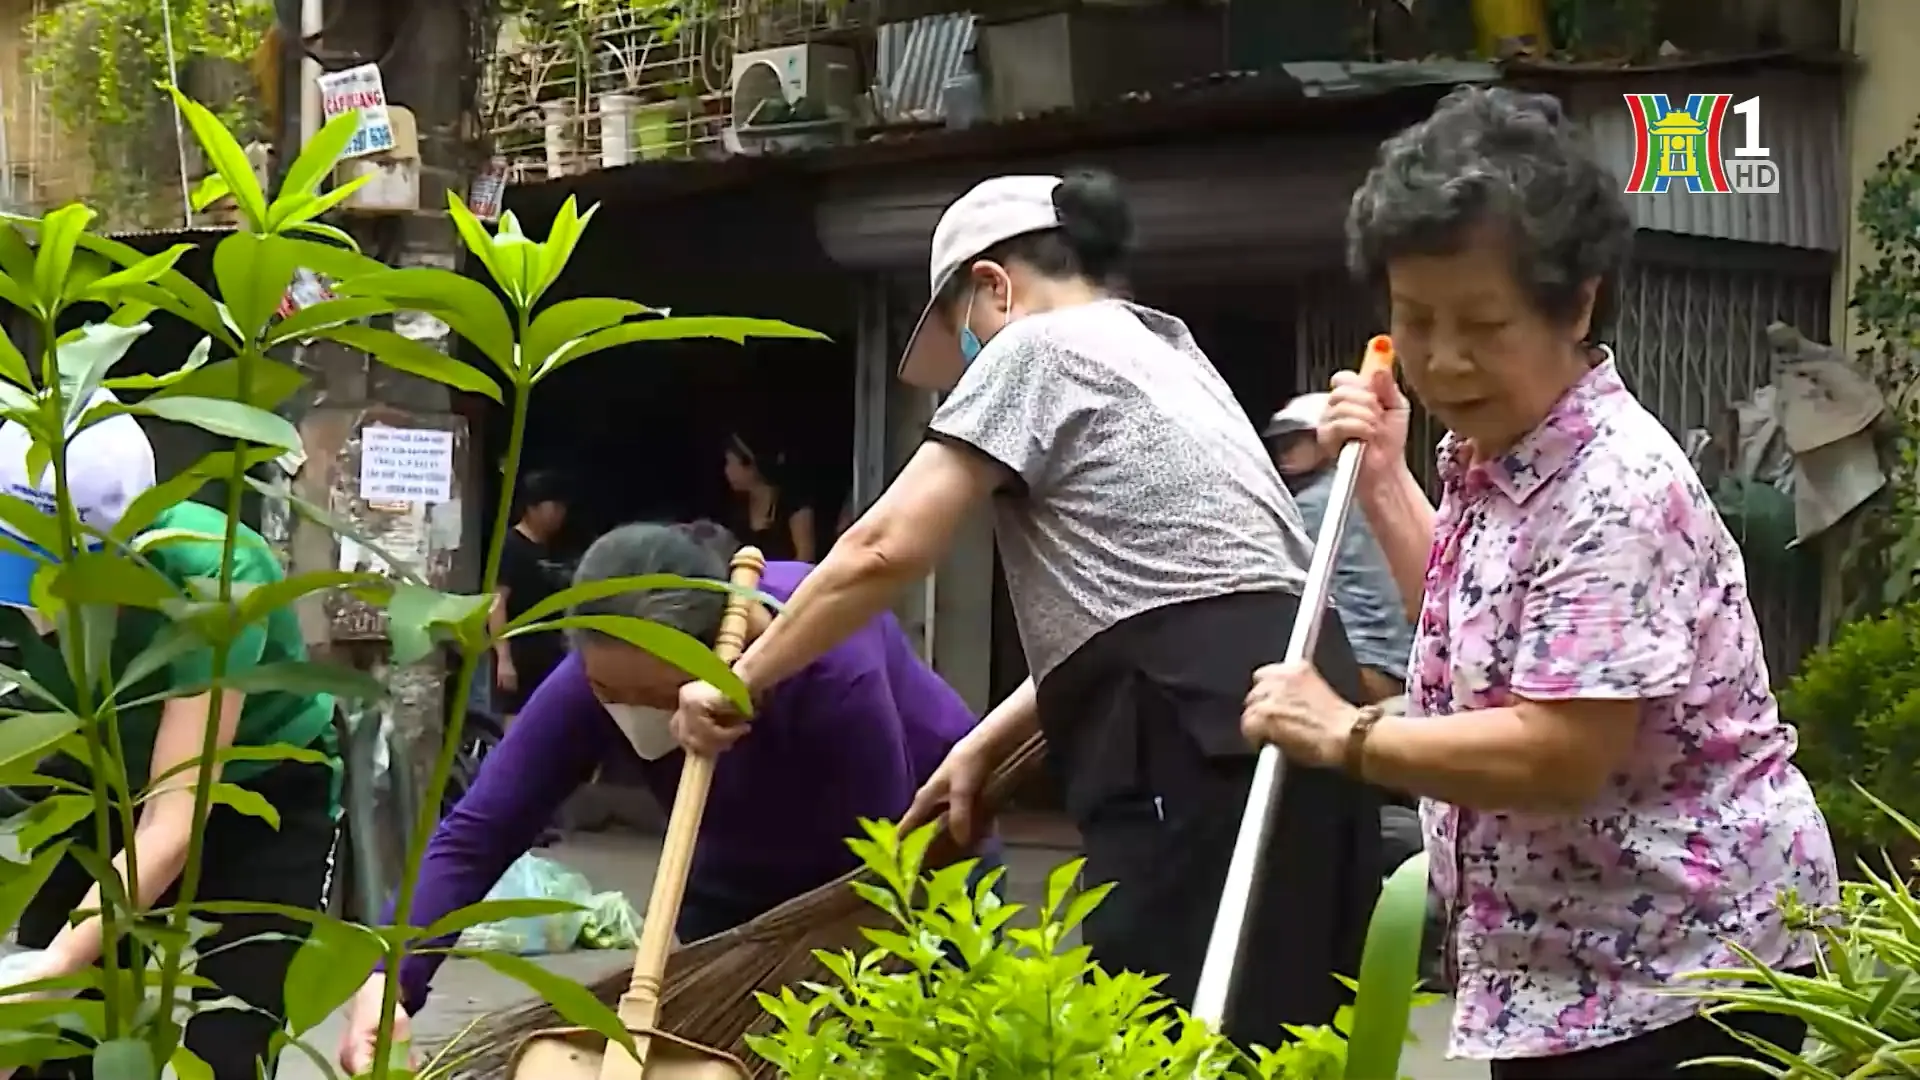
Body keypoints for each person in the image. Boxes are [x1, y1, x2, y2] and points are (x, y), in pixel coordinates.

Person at [671, 170, 1384, 1049]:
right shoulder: (1168, 352)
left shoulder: (1033, 346)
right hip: (1302, 700)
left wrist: (736, 682)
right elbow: (1148, 603)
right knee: (1281, 1033)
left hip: (1198, 728)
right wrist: (984, 746)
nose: (970, 356)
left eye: (964, 332)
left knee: (1161, 1032)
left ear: (994, 286)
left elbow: (881, 547)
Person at [1237, 87, 1838, 1079]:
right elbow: (1479, 627)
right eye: (1414, 319)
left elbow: (1562, 752)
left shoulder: (1615, 488)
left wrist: (1345, 733)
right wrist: (1386, 477)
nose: (1443, 359)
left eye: (1482, 322)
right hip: (1567, 971)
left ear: (1580, 301)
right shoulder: (1500, 454)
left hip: (1681, 979)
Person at [337, 521, 981, 1073]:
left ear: (723, 665)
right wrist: (390, 981)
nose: (630, 714)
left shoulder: (834, 668)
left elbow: (883, 882)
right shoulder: (603, 669)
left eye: (659, 698)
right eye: (609, 693)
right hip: (730, 875)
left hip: (917, 859)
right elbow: (479, 832)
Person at [0, 399, 339, 1080]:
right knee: (53, 1046)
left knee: (230, 1044)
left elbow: (173, 819)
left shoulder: (213, 579)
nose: (39, 599)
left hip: (260, 797)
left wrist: (60, 970)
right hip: (99, 783)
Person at [1263, 392, 1413, 705]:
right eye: (1280, 442)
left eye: (1297, 440)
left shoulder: (1317, 502)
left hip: (1367, 662)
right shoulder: (1364, 489)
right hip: (1401, 660)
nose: (1285, 451)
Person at [490, 469, 569, 718]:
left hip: (550, 653)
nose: (558, 513)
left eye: (561, 507)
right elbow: (496, 601)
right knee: (517, 723)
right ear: (531, 508)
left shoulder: (550, 548)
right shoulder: (510, 546)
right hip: (520, 654)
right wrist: (503, 657)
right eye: (552, 506)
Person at [723, 433, 815, 562]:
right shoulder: (738, 506)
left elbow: (805, 559)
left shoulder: (793, 503)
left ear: (752, 466)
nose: (726, 470)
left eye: (730, 463)